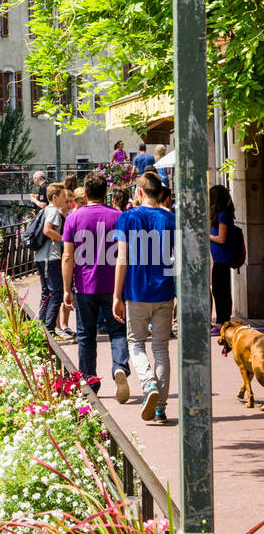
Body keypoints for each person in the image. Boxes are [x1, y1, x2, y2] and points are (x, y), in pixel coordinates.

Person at [112, 170, 176, 424]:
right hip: (164, 291)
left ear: (138, 192)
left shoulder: (127, 217)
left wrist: (117, 295)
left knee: (135, 344)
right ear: (160, 193)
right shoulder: (171, 219)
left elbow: (122, 259)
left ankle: (148, 384)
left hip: (137, 292)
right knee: (161, 348)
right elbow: (176, 261)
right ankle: (160, 409)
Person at [62, 170, 130, 397]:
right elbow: (124, 255)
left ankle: (89, 381)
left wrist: (66, 289)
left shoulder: (73, 217)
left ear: (86, 192)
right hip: (113, 286)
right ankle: (119, 366)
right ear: (105, 192)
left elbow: (67, 256)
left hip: (84, 285)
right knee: (118, 330)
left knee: (86, 335)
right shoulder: (118, 216)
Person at [34, 182, 69, 337]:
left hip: (42, 256)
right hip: (50, 257)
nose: (65, 198)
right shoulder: (54, 211)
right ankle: (49, 328)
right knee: (56, 291)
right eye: (63, 196)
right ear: (55, 197)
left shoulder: (46, 210)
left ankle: (41, 326)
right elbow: (47, 230)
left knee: (47, 291)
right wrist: (63, 239)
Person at [209, 184, 237, 333]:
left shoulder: (223, 215)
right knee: (220, 291)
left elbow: (221, 238)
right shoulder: (221, 214)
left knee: (220, 292)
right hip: (220, 259)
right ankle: (223, 321)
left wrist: (207, 236)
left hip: (222, 259)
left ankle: (222, 323)